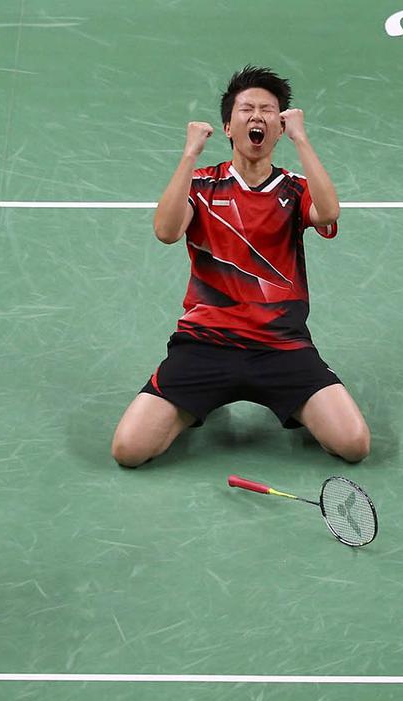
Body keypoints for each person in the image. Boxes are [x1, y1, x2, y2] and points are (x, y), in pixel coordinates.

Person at [112, 66, 370, 468]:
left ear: (279, 127)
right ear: (228, 127)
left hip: (280, 346)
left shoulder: (294, 188)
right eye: (246, 109)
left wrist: (302, 139)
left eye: (268, 110)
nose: (257, 116)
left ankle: (293, 404)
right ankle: (197, 404)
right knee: (129, 450)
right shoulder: (202, 184)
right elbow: (166, 231)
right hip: (205, 344)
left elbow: (329, 212)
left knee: (354, 445)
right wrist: (189, 154)